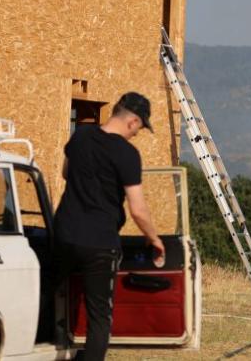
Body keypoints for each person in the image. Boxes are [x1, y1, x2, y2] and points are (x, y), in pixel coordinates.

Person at [54, 92, 164, 361]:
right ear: (132, 121)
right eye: (140, 127)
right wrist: (155, 239)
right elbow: (137, 209)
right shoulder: (127, 154)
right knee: (99, 318)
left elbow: (66, 173)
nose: (137, 134)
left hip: (64, 234)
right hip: (99, 243)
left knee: (50, 298)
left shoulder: (80, 135)